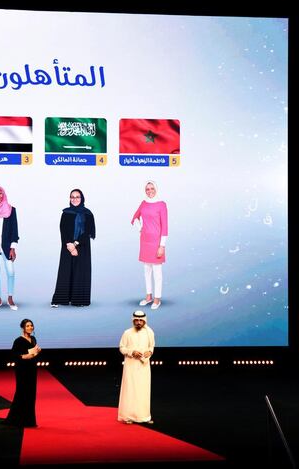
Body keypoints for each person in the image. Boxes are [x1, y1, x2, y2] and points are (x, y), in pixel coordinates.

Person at [51, 189, 96, 307]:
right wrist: (69, 246)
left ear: (82, 199)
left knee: (80, 272)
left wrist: (75, 244)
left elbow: (88, 232)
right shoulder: (66, 213)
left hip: (83, 247)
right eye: (72, 197)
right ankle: (61, 299)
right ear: (69, 199)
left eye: (77, 197)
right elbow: (63, 231)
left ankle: (79, 300)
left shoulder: (88, 214)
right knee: (65, 272)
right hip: (67, 246)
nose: (75, 199)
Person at [131, 181, 168, 310]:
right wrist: (140, 228)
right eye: (147, 189)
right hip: (145, 241)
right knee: (147, 271)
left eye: (152, 188)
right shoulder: (144, 203)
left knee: (157, 272)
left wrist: (162, 246)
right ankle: (148, 296)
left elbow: (165, 226)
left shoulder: (162, 205)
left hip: (156, 242)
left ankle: (157, 299)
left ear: (156, 189)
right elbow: (134, 218)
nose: (150, 191)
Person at [118, 310, 155, 424]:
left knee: (143, 390)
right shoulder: (127, 333)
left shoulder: (149, 332)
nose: (138, 322)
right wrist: (131, 352)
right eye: (136, 320)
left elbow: (151, 346)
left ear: (144, 321)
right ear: (133, 320)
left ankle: (144, 416)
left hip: (143, 366)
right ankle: (128, 416)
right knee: (130, 390)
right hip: (131, 365)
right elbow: (122, 347)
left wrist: (150, 352)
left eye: (141, 320)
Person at [4, 318, 41, 427]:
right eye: (28, 326)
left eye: (31, 325)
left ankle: (29, 421)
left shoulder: (33, 339)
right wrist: (24, 356)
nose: (30, 327)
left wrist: (37, 351)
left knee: (31, 394)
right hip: (22, 370)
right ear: (23, 328)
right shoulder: (18, 340)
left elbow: (33, 353)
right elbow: (13, 355)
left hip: (32, 369)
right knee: (22, 393)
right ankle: (17, 420)